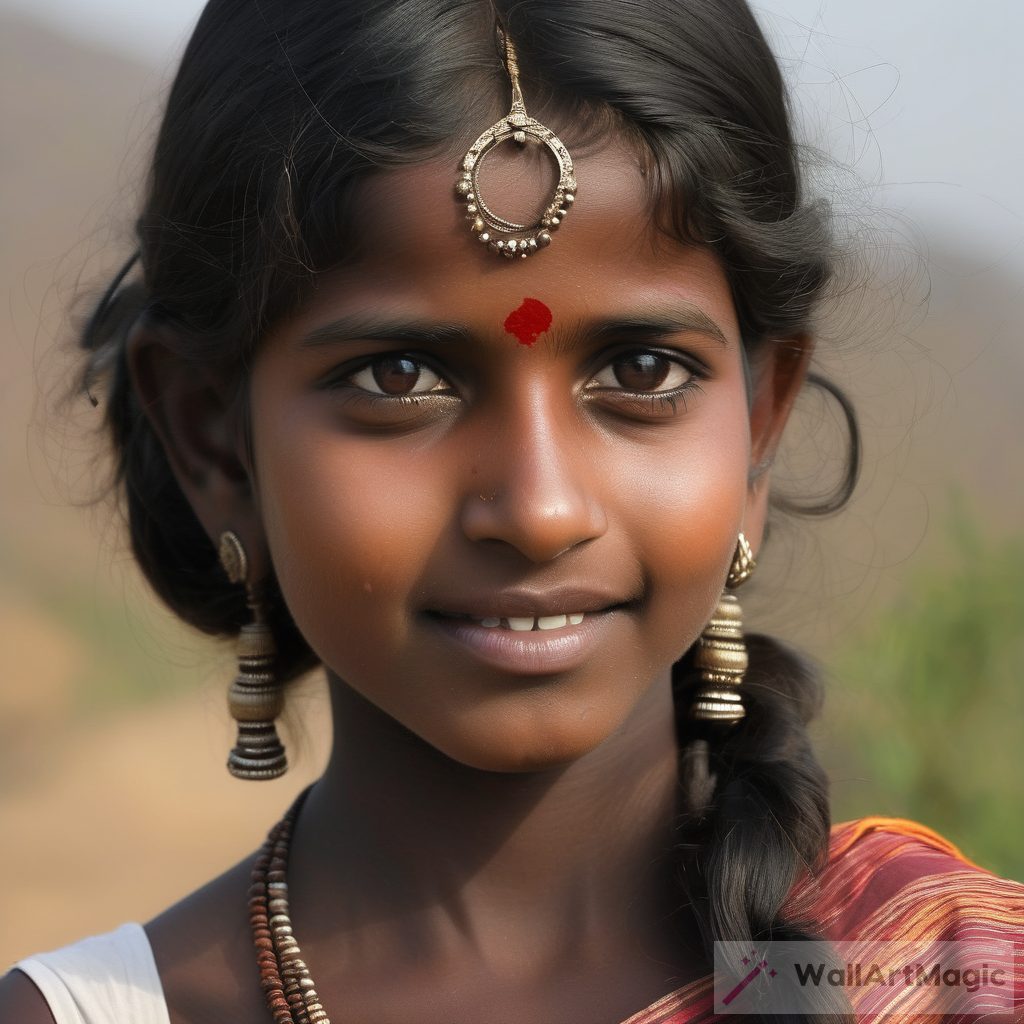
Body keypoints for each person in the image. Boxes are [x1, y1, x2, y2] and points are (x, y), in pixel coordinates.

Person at [1, 1, 1021, 1022]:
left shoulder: (944, 981)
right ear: (213, 440)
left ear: (758, 423)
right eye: (400, 377)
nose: (538, 510)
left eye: (641, 369)